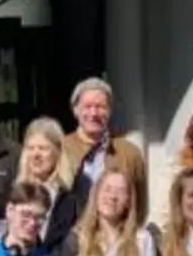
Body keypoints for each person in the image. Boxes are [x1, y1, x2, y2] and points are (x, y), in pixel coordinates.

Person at [61, 77, 147, 210]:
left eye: (100, 107)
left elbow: (141, 202)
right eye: (87, 106)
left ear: (110, 111)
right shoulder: (61, 148)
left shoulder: (129, 153)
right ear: (75, 110)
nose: (94, 113)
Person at [18, 116, 81, 248]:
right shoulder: (15, 194)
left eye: (43, 148)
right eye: (31, 148)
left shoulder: (71, 200)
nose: (36, 155)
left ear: (58, 152)